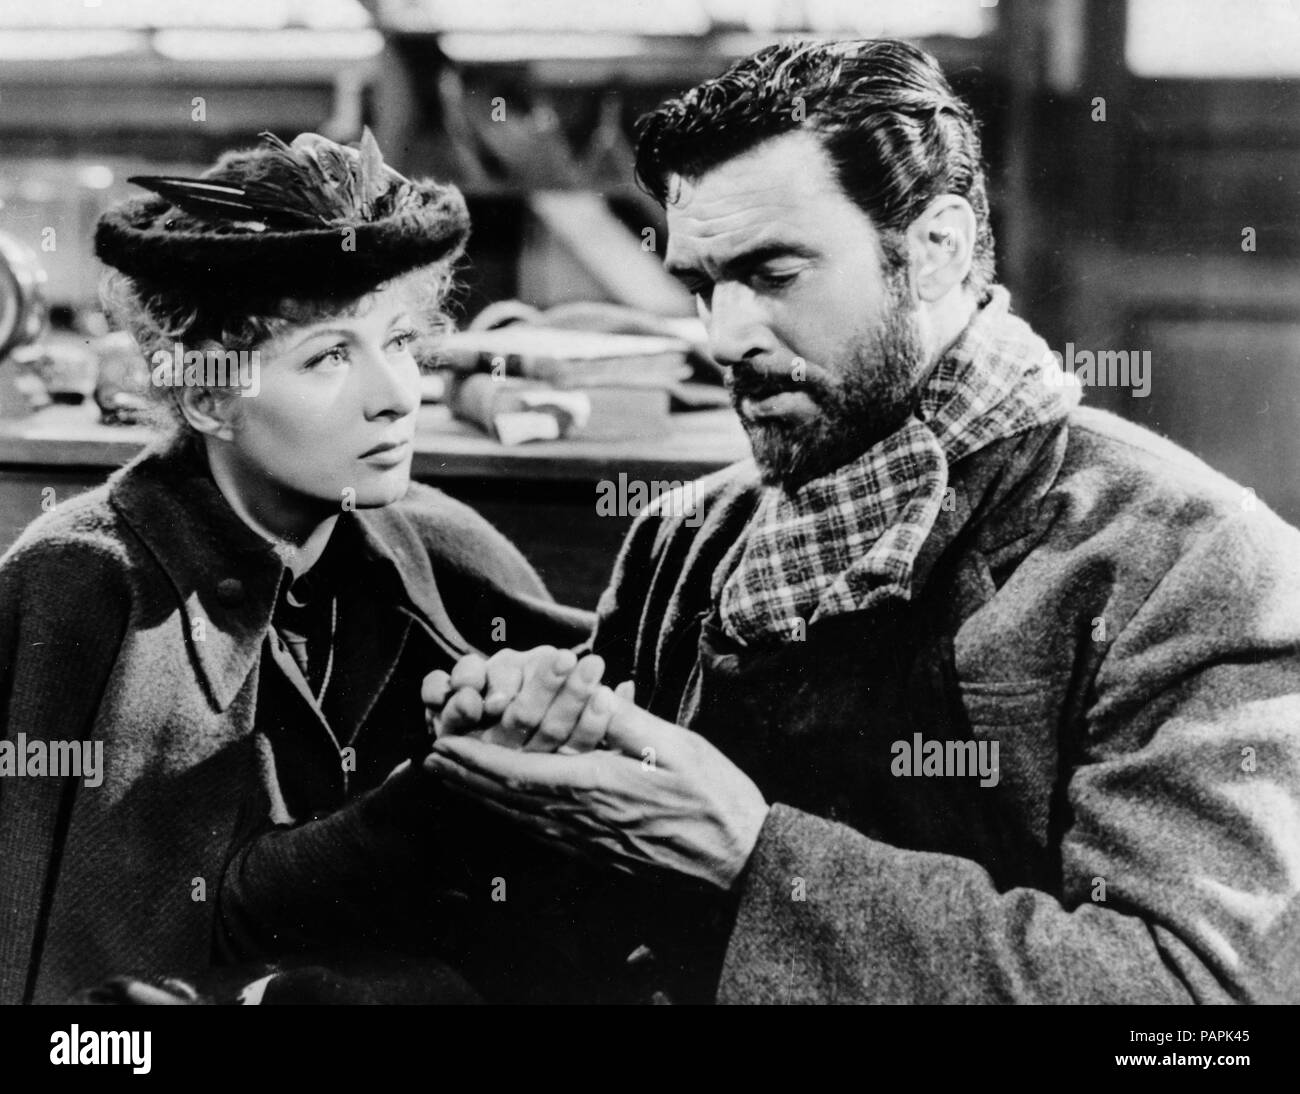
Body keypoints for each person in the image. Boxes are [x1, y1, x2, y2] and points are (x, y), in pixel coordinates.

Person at [423, 39, 1300, 1004]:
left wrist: (756, 866)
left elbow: (1201, 1010)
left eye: (774, 272)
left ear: (937, 250)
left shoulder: (1186, 562)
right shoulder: (685, 541)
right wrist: (525, 786)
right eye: (702, 284)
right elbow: (584, 944)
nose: (725, 337)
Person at [0, 130, 598, 1004]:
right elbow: (153, 944)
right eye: (328, 356)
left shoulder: (433, 541)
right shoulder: (88, 585)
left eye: (401, 341)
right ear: (208, 393)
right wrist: (444, 795)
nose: (394, 392)